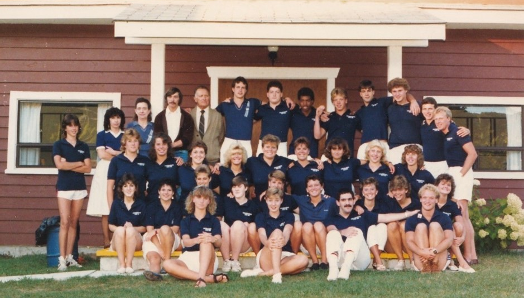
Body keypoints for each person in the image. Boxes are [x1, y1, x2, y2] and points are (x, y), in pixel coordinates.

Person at [325, 188, 419, 280]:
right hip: (340, 259)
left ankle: (346, 268)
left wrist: (408, 214)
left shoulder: (361, 214)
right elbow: (330, 229)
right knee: (333, 233)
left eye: (350, 199)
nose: (347, 203)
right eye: (343, 200)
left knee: (356, 231)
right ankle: (333, 269)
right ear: (338, 202)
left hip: (359, 260)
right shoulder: (333, 217)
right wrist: (343, 231)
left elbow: (385, 217)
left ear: (354, 201)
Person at [434, 106, 479, 265]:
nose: (438, 121)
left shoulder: (458, 132)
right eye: (436, 119)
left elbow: (472, 154)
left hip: (462, 172)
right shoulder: (445, 133)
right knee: (465, 216)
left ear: (449, 119)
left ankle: (467, 255)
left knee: (462, 213)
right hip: (453, 172)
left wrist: (461, 174)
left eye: (441, 118)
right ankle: (472, 254)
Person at [163, 186, 228, 288]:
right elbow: (186, 242)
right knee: (167, 264)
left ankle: (201, 279)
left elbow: (219, 242)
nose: (201, 201)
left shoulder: (214, 220)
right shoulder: (186, 221)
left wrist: (212, 239)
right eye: (198, 197)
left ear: (209, 201)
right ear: (193, 199)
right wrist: (197, 240)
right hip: (188, 257)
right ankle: (207, 278)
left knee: (205, 241)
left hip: (208, 259)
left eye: (205, 198)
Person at [241, 188, 309, 283]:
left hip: (285, 256)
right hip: (267, 254)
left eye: (277, 201)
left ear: (281, 201)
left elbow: (287, 231)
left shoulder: (288, 215)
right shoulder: (260, 216)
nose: (273, 204)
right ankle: (277, 274)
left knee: (304, 260)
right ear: (266, 200)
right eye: (270, 200)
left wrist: (284, 240)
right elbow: (261, 234)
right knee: (277, 232)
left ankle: (264, 273)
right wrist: (267, 243)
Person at [53, 114, 92, 271]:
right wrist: (77, 163)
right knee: (65, 222)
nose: (73, 128)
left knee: (74, 222)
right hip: (64, 188)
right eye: (70, 125)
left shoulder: (84, 146)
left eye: (75, 125)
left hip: (79, 188)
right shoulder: (59, 145)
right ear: (65, 128)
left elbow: (88, 168)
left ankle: (70, 257)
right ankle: (61, 259)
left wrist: (68, 164)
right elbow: (59, 165)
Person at [86, 107, 124, 248]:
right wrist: (120, 154)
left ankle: (118, 241)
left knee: (120, 204)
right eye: (113, 117)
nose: (116, 120)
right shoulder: (102, 134)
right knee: (105, 207)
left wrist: (114, 152)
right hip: (105, 170)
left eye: (118, 117)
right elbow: (102, 155)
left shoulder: (125, 135)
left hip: (121, 170)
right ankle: (106, 241)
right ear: (108, 120)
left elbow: (130, 153)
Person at [355, 80, 419, 160]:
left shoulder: (382, 102)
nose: (366, 94)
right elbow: (360, 129)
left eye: (369, 91)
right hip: (366, 145)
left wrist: (413, 101)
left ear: (373, 92)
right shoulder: (359, 113)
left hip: (382, 144)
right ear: (360, 94)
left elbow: (401, 95)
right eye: (363, 91)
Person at [405, 184, 454, 272]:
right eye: (425, 197)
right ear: (420, 199)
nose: (427, 201)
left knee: (434, 225)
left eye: (431, 198)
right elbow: (409, 241)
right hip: (420, 258)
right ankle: (426, 265)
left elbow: (449, 240)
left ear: (436, 200)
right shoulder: (412, 219)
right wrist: (423, 253)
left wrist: (434, 252)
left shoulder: (444, 217)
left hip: (439, 257)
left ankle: (434, 264)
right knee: (421, 226)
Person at [293, 175, 337, 270]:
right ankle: (315, 262)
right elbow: (282, 195)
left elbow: (342, 212)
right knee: (307, 225)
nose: (313, 188)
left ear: (322, 187)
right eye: (310, 186)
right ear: (307, 189)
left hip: (325, 243)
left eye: (316, 185)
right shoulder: (302, 200)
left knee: (318, 225)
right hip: (308, 243)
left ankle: (324, 261)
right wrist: (265, 192)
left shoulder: (330, 201)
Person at [142, 179, 183, 281]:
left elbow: (175, 228)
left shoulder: (177, 207)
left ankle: (166, 262)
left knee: (165, 228)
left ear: (173, 192)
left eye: (169, 190)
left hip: (172, 237)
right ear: (159, 192)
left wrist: (157, 230)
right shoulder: (152, 206)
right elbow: (150, 231)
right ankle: (154, 274)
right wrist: (159, 249)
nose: (166, 192)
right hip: (153, 239)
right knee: (154, 258)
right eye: (163, 190)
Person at [420, 97, 470, 178]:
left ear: (435, 110)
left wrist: (467, 130)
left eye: (430, 109)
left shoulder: (441, 123)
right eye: (424, 109)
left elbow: (456, 132)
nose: (427, 112)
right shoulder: (421, 125)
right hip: (426, 165)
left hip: (443, 164)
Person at [435, 174, 475, 273]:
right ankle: (462, 262)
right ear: (436, 186)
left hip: (448, 235)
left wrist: (463, 237)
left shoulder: (453, 205)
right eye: (443, 184)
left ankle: (451, 258)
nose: (446, 186)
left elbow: (461, 223)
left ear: (451, 188)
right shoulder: (430, 201)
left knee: (458, 226)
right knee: (449, 228)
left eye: (449, 185)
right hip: (433, 234)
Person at [108, 173, 146, 274]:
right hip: (119, 240)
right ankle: (122, 264)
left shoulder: (141, 204)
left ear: (136, 188)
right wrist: (122, 229)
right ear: (121, 189)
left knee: (130, 230)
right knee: (120, 229)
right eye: (125, 186)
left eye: (131, 186)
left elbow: (144, 228)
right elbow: (110, 225)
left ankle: (129, 264)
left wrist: (132, 228)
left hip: (135, 241)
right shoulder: (116, 203)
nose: (128, 189)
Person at [221, 176, 260, 273]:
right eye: (234, 187)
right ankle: (226, 261)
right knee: (221, 224)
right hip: (228, 241)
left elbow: (256, 227)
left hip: (244, 242)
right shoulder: (226, 201)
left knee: (238, 224)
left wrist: (247, 225)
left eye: (239, 186)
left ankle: (235, 260)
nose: (236, 189)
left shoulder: (253, 206)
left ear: (246, 188)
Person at [216, 76, 261, 160]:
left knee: (246, 168)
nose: (240, 90)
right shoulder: (226, 104)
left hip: (245, 141)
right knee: (224, 165)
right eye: (238, 87)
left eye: (243, 88)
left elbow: (268, 104)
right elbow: (213, 115)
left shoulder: (252, 102)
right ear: (233, 89)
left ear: (246, 90)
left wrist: (286, 100)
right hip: (229, 140)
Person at [383, 175, 421, 270]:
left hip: (412, 242)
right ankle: (401, 260)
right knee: (391, 225)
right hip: (395, 242)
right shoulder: (389, 201)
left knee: (404, 225)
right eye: (394, 190)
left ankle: (412, 260)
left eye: (400, 189)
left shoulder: (416, 203)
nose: (397, 193)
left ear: (406, 190)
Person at [245, 134, 293, 207]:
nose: (270, 150)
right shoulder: (252, 162)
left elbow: (299, 163)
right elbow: (242, 176)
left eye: (273, 147)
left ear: (277, 149)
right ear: (262, 148)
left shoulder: (283, 161)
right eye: (267, 147)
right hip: (259, 202)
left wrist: (314, 160)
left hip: (279, 203)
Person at [261, 170, 301, 253]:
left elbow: (301, 212)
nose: (276, 185)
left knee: (298, 224)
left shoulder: (289, 198)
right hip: (268, 232)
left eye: (279, 183)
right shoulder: (262, 198)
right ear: (269, 183)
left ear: (283, 185)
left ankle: (293, 254)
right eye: (274, 182)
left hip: (285, 231)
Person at [107, 128, 149, 206]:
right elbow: (109, 187)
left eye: (135, 141)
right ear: (124, 144)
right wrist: (112, 209)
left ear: (139, 143)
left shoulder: (145, 161)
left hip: (140, 205)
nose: (133, 144)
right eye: (129, 141)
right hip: (120, 204)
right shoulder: (116, 161)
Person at [386, 78, 423, 165]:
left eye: (400, 90)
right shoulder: (390, 108)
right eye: (394, 91)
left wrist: (413, 101)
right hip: (395, 147)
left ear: (406, 90)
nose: (397, 94)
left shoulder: (417, 105)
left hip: (415, 147)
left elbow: (434, 118)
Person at [314, 87, 360, 157]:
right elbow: (317, 136)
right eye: (335, 100)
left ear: (346, 100)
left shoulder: (354, 116)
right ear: (333, 102)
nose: (338, 102)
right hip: (330, 156)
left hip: (346, 155)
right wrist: (317, 116)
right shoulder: (329, 117)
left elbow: (364, 130)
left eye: (341, 99)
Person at [154, 87, 194, 162]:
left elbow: (187, 138)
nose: (172, 100)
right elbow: (157, 136)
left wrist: (172, 145)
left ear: (179, 99)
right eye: (170, 97)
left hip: (182, 153)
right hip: (164, 153)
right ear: (166, 99)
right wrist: (166, 147)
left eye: (175, 97)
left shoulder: (187, 117)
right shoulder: (159, 117)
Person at [254, 80, 292, 157]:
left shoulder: (288, 107)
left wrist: (288, 99)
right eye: (271, 92)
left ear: (281, 94)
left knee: (280, 169)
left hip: (281, 145)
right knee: (261, 168)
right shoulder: (262, 109)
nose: (274, 95)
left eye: (277, 92)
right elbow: (248, 120)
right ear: (267, 94)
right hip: (264, 145)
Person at [358, 177, 388, 271]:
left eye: (372, 189)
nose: (369, 192)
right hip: (363, 239)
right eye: (366, 189)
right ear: (362, 192)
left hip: (377, 241)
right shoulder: (357, 205)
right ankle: (378, 261)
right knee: (371, 227)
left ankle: (376, 260)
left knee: (382, 225)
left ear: (376, 191)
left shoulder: (382, 205)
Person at [177, 141, 217, 210]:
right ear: (190, 154)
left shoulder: (211, 171)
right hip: (185, 210)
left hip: (205, 210)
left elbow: (216, 192)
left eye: (201, 152)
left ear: (205, 155)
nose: (198, 155)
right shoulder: (182, 169)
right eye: (195, 152)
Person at [190, 86, 225, 165]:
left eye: (206, 96)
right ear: (195, 99)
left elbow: (221, 137)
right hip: (195, 159)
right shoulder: (189, 115)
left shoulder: (217, 115)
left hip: (212, 158)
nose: (204, 98)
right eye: (201, 96)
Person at [144, 133, 179, 204]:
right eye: (158, 144)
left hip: (170, 205)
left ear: (168, 146)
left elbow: (178, 184)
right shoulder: (148, 164)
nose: (161, 147)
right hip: (151, 204)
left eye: (164, 144)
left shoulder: (176, 163)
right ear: (154, 146)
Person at [289, 87, 319, 158]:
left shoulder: (318, 114)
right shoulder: (293, 113)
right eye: (302, 100)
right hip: (294, 151)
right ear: (299, 101)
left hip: (312, 151)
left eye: (307, 100)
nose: (305, 103)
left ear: (312, 101)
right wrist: (287, 98)